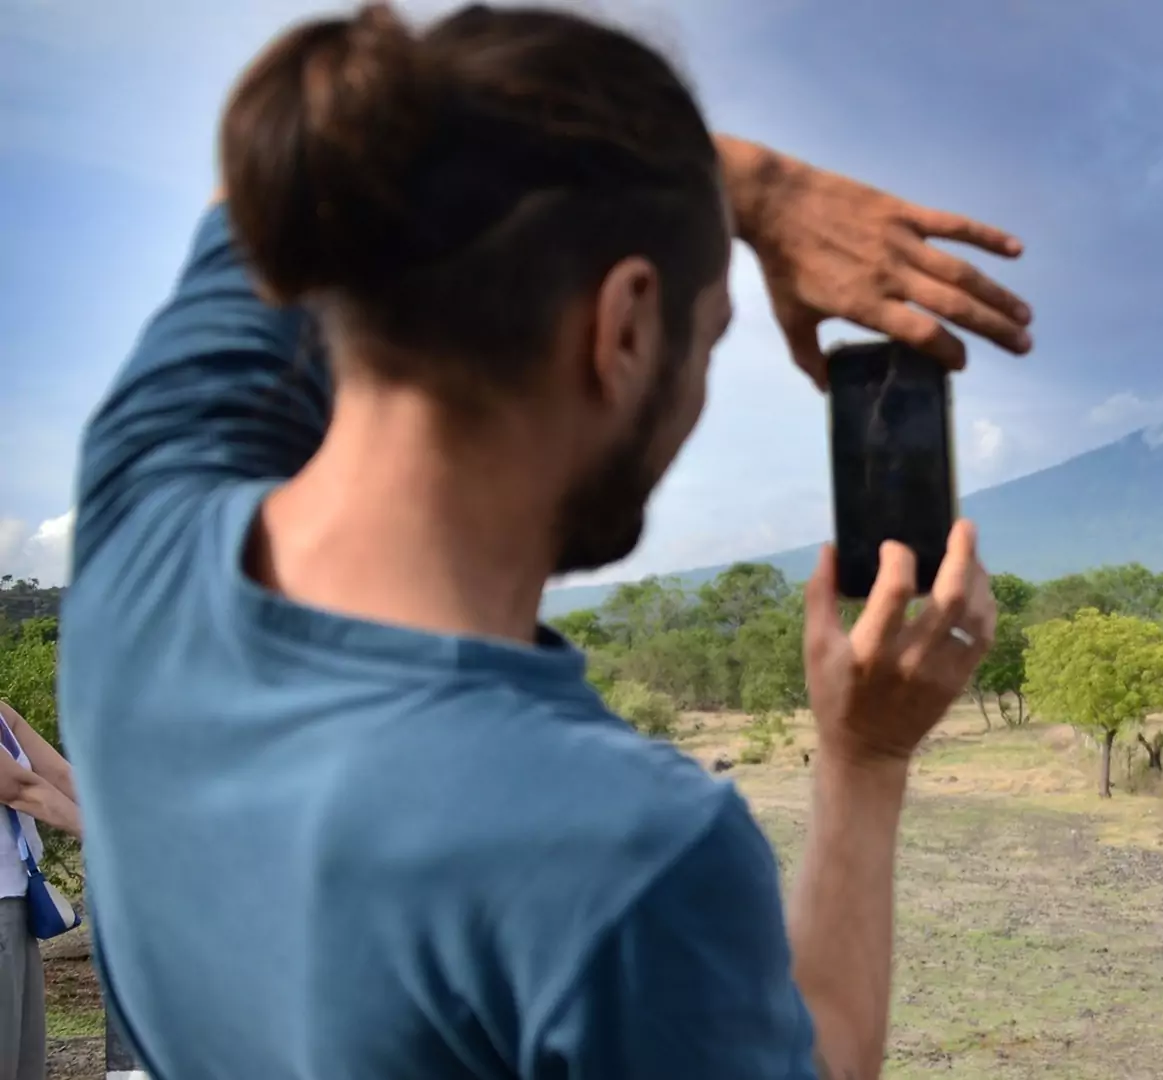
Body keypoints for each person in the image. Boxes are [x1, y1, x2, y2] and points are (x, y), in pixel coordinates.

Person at [56, 4, 1030, 1078]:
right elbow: (829, 1058)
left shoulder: (139, 524)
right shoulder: (625, 856)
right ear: (622, 327)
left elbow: (267, 198)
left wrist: (735, 188)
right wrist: (868, 757)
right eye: (707, 338)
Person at [0, 700, 81, 1080]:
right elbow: (21, 789)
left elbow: (62, 776)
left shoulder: (3, 714)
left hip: (15, 903)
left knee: (23, 1062)